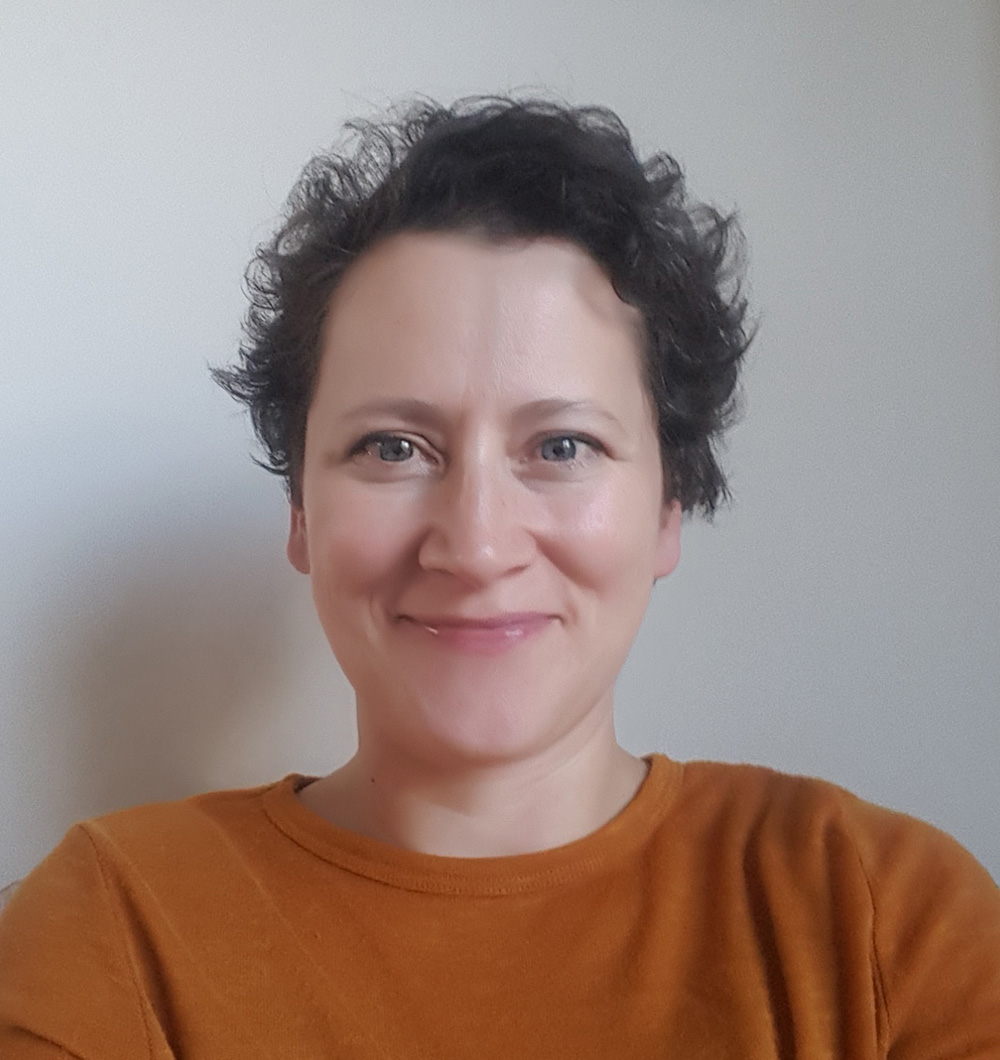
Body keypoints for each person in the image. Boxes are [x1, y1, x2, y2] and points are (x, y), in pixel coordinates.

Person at [1, 96, 998, 1059]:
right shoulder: (109, 926)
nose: (476, 546)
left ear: (666, 508)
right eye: (392, 446)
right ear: (301, 512)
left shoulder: (883, 913)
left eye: (561, 444)